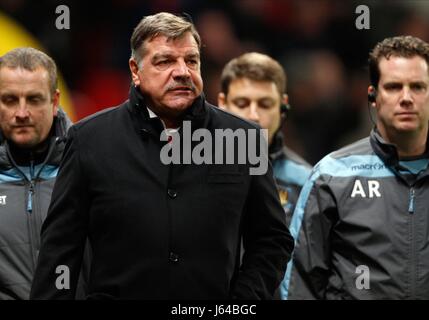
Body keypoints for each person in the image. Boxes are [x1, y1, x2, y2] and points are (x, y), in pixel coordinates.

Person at [30, 12, 293, 300]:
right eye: (165, 61)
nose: (182, 71)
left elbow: (272, 241)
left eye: (191, 60)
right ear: (135, 69)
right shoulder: (89, 140)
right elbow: (60, 250)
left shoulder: (244, 139)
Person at [284, 35, 429, 299]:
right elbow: (300, 282)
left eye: (418, 87)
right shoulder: (333, 175)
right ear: (373, 97)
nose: (406, 98)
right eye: (394, 87)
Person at [0, 47, 72, 299]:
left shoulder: (87, 164)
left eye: (33, 99)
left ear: (54, 102)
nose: (21, 113)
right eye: (9, 100)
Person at [218, 52, 312, 227]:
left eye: (265, 104)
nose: (253, 116)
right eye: (241, 104)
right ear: (222, 103)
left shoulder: (306, 181)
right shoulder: (192, 170)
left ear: (283, 106)